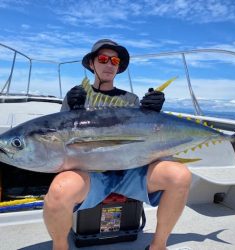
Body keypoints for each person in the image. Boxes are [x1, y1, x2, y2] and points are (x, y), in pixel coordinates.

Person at [43, 39, 192, 250]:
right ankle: (60, 247)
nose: (109, 64)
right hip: (91, 174)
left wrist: (150, 113)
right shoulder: (77, 96)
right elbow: (59, 138)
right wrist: (70, 111)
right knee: (58, 191)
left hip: (130, 171)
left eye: (114, 60)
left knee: (180, 176)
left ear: (118, 66)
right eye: (103, 59)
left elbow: (139, 137)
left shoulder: (130, 100)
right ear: (92, 64)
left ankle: (159, 245)